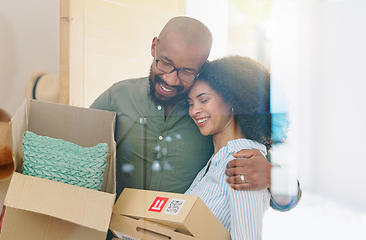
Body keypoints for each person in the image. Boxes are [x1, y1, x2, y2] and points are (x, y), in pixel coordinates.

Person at [90, 16, 300, 210]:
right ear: (154, 47)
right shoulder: (117, 97)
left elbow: (289, 197)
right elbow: (78, 150)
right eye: (165, 63)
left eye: (187, 72)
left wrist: (272, 176)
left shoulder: (210, 117)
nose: (171, 80)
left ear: (201, 69)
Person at [185, 55, 277, 239]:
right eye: (190, 103)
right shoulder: (216, 160)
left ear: (232, 100)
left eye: (204, 100)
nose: (194, 111)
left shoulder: (244, 161)